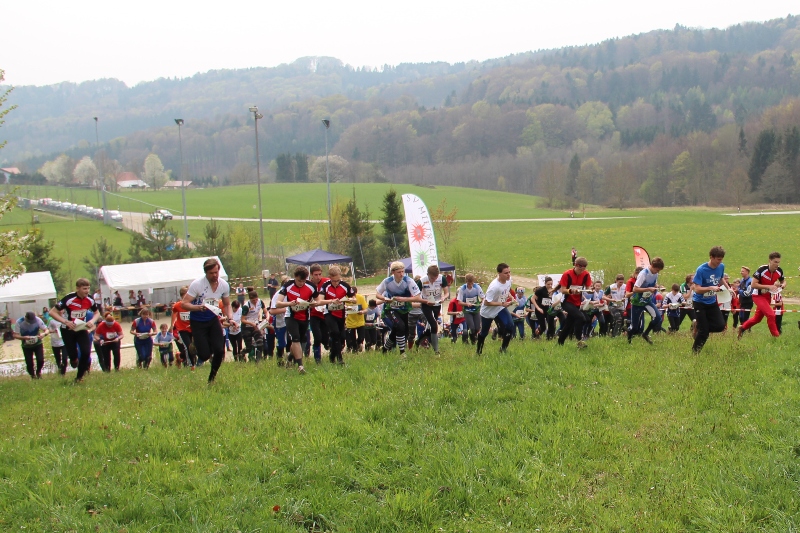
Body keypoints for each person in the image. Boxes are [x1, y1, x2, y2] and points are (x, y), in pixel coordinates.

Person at [181, 257, 233, 383]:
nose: (215, 275)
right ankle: (196, 345)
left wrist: (230, 318)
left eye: (216, 272)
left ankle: (212, 378)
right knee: (204, 355)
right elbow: (184, 304)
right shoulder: (197, 284)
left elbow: (227, 304)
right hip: (198, 321)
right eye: (211, 273)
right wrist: (198, 307)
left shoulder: (223, 285)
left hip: (213, 319)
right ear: (206, 273)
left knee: (220, 350)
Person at [274, 265, 324, 373]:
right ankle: (300, 366)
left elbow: (318, 300)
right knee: (295, 338)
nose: (301, 283)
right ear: (295, 277)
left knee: (301, 341)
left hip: (305, 317)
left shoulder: (311, 286)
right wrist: (289, 303)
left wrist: (314, 304)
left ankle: (290, 358)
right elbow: (278, 303)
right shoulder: (287, 286)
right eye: (299, 281)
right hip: (291, 316)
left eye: (303, 281)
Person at [50, 278, 100, 383]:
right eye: (84, 288)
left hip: (81, 328)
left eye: (88, 288)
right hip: (68, 330)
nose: (87, 291)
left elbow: (97, 313)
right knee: (73, 354)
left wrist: (92, 321)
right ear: (77, 288)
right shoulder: (69, 299)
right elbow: (52, 312)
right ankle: (73, 360)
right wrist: (65, 321)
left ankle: (79, 377)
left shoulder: (90, 299)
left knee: (86, 352)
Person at [375, 261, 425, 357]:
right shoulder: (387, 281)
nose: (401, 274)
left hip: (405, 308)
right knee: (400, 326)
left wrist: (404, 299)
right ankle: (402, 352)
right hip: (391, 308)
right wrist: (384, 298)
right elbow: (377, 294)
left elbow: (418, 297)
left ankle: (385, 349)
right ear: (393, 272)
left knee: (400, 330)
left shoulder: (408, 281)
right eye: (399, 272)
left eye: (403, 271)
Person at [737, 252, 785, 339]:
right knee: (771, 315)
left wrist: (783, 285)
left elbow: (783, 281)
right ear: (769, 261)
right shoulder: (762, 270)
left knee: (757, 319)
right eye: (775, 262)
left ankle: (742, 328)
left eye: (778, 262)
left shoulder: (779, 271)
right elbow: (753, 284)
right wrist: (769, 286)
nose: (777, 264)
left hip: (767, 296)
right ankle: (776, 337)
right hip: (758, 296)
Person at [691, 246, 727, 354]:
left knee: (721, 326)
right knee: (704, 333)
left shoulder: (721, 267)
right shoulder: (701, 270)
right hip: (699, 303)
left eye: (721, 259)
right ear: (711, 257)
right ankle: (695, 353)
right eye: (718, 259)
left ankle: (699, 327)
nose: (720, 262)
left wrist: (729, 289)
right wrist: (711, 288)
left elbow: (721, 279)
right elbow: (697, 289)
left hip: (711, 302)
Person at [476, 263, 515, 355]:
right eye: (506, 273)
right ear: (499, 274)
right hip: (488, 311)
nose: (508, 274)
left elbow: (506, 290)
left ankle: (503, 349)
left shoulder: (509, 281)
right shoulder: (494, 286)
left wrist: (511, 298)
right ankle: (478, 351)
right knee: (484, 333)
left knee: (510, 325)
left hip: (499, 309)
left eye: (509, 272)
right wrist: (502, 303)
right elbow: (486, 302)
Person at [319, 266, 356, 364]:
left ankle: (332, 354)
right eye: (334, 281)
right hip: (329, 313)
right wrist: (331, 301)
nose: (336, 283)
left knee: (342, 337)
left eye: (338, 280)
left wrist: (351, 300)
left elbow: (353, 297)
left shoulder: (344, 285)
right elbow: (320, 300)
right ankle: (340, 359)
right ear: (330, 277)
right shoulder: (325, 286)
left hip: (341, 313)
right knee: (335, 333)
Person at [627, 257, 664, 344]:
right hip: (637, 302)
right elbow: (635, 289)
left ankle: (645, 334)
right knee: (635, 328)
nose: (658, 272)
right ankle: (629, 339)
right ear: (652, 266)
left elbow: (654, 283)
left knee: (658, 318)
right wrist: (648, 288)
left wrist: (658, 286)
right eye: (657, 270)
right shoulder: (643, 274)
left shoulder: (655, 274)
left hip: (647, 301)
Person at [557, 257, 592, 348]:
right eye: (580, 269)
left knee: (569, 324)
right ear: (575, 265)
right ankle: (579, 340)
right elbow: (563, 290)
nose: (581, 271)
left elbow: (588, 287)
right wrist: (571, 291)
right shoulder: (567, 274)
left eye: (583, 269)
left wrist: (590, 290)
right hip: (566, 301)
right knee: (581, 318)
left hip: (577, 302)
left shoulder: (586, 275)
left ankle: (560, 343)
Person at [420, 264, 450, 355]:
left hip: (437, 304)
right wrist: (425, 301)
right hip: (426, 304)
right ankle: (436, 351)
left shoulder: (442, 279)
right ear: (428, 274)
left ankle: (419, 341)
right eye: (432, 278)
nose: (434, 280)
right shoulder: (422, 281)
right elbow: (416, 296)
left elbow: (446, 293)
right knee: (434, 325)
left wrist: (443, 298)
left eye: (436, 278)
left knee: (431, 327)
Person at [13, 311, 49, 379]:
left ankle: (38, 372)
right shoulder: (19, 322)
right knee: (29, 363)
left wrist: (43, 334)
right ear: (26, 318)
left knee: (40, 360)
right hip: (26, 345)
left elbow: (46, 330)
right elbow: (15, 335)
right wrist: (24, 338)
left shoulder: (38, 320)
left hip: (37, 343)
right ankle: (32, 375)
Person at [308, 264, 330, 364]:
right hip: (313, 315)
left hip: (324, 313)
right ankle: (317, 359)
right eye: (316, 275)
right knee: (317, 337)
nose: (318, 277)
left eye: (319, 274)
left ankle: (328, 345)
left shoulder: (326, 281)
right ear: (311, 275)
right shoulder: (308, 284)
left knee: (325, 339)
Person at [457, 273, 485, 345]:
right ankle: (473, 341)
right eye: (469, 283)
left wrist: (482, 302)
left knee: (477, 328)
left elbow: (483, 297)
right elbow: (459, 302)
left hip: (476, 309)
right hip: (467, 310)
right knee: (472, 327)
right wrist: (466, 304)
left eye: (472, 283)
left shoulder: (477, 287)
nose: (470, 285)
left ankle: (473, 336)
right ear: (466, 281)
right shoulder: (462, 289)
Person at [240, 290, 267, 362]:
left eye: (256, 299)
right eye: (253, 300)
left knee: (260, 343)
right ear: (250, 299)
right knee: (249, 348)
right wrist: (251, 323)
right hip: (247, 327)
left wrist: (267, 317)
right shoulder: (246, 306)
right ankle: (242, 353)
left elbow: (265, 311)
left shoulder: (260, 302)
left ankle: (258, 361)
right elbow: (242, 320)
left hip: (256, 326)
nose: (255, 301)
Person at [171, 286, 194, 369]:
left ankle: (180, 355)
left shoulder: (193, 304)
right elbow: (174, 313)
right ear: (181, 296)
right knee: (188, 346)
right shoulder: (177, 306)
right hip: (182, 329)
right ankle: (191, 365)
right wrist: (172, 325)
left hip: (193, 328)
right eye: (185, 295)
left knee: (195, 347)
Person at [345, 285, 368, 354]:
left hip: (360, 321)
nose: (352, 296)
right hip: (350, 322)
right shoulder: (345, 298)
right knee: (352, 339)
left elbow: (366, 308)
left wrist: (362, 312)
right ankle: (355, 351)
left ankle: (359, 344)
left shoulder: (360, 297)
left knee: (361, 337)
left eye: (354, 294)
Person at [268, 289, 288, 364]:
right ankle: (280, 361)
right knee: (281, 343)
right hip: (280, 322)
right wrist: (286, 309)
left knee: (291, 341)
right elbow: (272, 311)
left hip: (290, 321)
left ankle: (290, 360)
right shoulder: (278, 295)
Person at [48, 310, 67, 375]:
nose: (61, 312)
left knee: (65, 358)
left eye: (62, 311)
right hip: (55, 341)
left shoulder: (66, 319)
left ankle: (63, 371)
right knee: (58, 358)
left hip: (64, 341)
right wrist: (53, 331)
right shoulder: (52, 320)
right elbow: (48, 330)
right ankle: (60, 369)